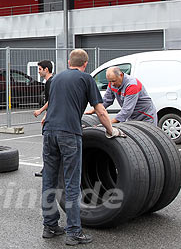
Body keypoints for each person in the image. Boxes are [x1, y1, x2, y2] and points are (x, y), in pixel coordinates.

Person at [41, 49, 124, 246]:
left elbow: (52, 105)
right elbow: (101, 111)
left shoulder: (54, 79)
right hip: (69, 133)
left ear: (69, 61)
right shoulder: (86, 79)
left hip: (49, 132)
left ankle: (50, 226)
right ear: (85, 64)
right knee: (72, 182)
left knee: (49, 179)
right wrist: (111, 131)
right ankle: (74, 232)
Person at [85, 66, 157, 125]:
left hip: (146, 117)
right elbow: (107, 100)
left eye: (113, 81)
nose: (112, 84)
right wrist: (94, 110)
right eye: (109, 81)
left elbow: (127, 109)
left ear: (121, 75)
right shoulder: (112, 84)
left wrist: (110, 123)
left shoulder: (132, 85)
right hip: (132, 117)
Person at [33, 60, 54, 177]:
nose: (39, 72)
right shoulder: (50, 81)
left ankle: (47, 169)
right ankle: (47, 168)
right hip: (50, 115)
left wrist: (42, 112)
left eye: (40, 69)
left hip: (51, 117)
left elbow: (51, 100)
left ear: (46, 69)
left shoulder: (50, 82)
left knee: (48, 145)